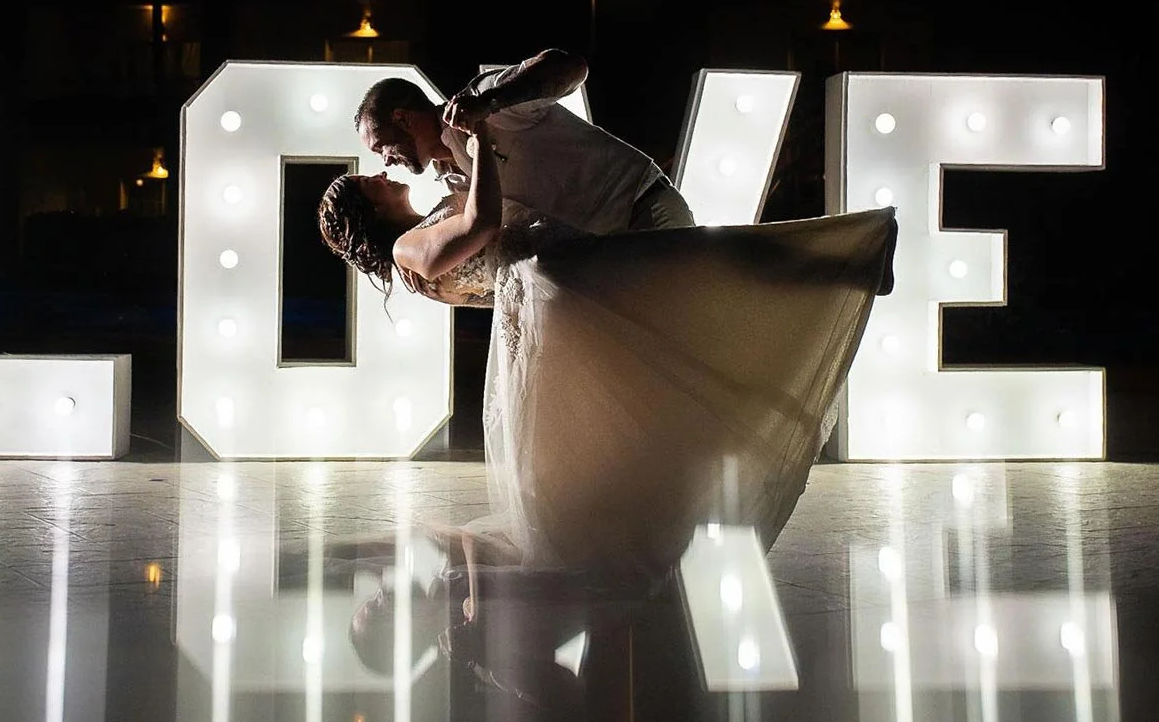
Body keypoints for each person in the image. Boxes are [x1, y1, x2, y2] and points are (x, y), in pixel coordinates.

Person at [318, 105, 899, 577]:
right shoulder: (406, 250)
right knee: (712, 285)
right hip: (577, 291)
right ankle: (850, 261)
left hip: (576, 285)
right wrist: (484, 148)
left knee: (711, 288)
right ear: (367, 207)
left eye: (378, 158)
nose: (382, 169)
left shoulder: (428, 215)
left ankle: (848, 263)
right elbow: (483, 227)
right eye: (370, 178)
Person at [353, 49, 695, 243]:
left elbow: (571, 67)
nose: (386, 160)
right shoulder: (448, 181)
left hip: (645, 211)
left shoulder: (484, 96)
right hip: (602, 251)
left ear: (403, 118)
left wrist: (492, 102)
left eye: (381, 146)